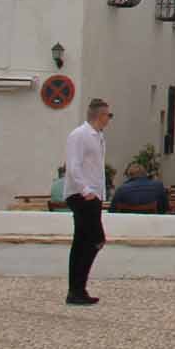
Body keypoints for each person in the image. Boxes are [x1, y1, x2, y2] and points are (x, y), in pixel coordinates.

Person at [62, 97, 112, 306]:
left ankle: (77, 289)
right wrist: (86, 190)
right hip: (82, 195)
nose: (109, 119)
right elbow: (73, 165)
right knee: (94, 239)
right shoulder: (80, 135)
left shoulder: (98, 136)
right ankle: (76, 289)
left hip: (93, 195)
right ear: (100, 115)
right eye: (108, 115)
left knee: (84, 241)